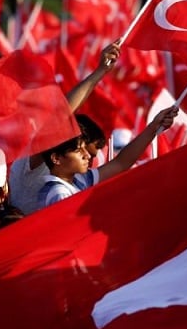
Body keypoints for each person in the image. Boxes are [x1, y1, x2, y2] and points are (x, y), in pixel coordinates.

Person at [8, 40, 121, 215]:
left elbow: (121, 164)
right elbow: (63, 112)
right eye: (82, 150)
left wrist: (154, 126)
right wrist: (100, 72)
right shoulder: (34, 158)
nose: (87, 158)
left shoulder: (76, 180)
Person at [38, 105, 178, 208]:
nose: (86, 155)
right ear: (56, 159)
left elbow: (121, 164)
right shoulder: (59, 194)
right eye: (78, 151)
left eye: (84, 149)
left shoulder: (79, 180)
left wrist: (153, 127)